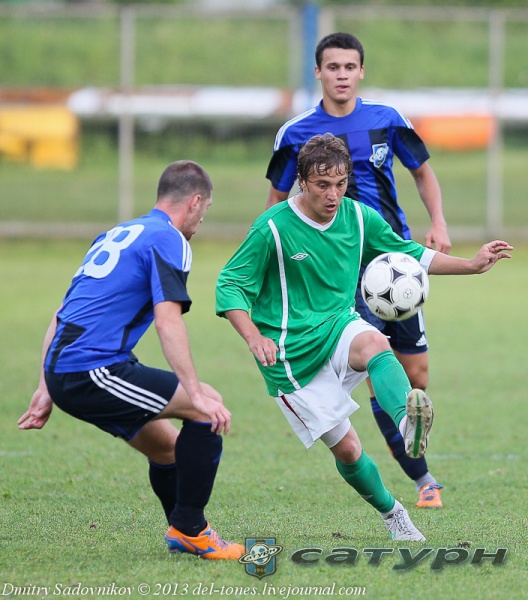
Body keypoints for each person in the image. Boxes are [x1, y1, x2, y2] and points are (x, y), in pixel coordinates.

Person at [216, 133, 512, 541]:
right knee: (349, 450)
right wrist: (252, 336)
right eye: (322, 185)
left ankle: (408, 422)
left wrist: (472, 264)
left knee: (376, 343)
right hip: (289, 354)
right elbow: (231, 284)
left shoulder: (358, 217)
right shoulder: (272, 228)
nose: (332, 195)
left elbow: (411, 254)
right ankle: (394, 514)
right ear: (302, 181)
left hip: (339, 324)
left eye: (340, 184)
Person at [18, 160, 244, 561]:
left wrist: (45, 386)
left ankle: (182, 530)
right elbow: (168, 320)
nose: (201, 221)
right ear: (195, 202)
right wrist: (195, 393)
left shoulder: (117, 234)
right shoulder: (170, 239)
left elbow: (62, 312)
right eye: (205, 211)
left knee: (167, 448)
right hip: (92, 369)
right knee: (206, 409)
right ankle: (193, 530)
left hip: (69, 368)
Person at [265, 32, 451, 509]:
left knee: (416, 375)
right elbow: (276, 201)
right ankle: (424, 479)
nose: (342, 75)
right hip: (338, 268)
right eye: (333, 67)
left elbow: (422, 171)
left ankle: (406, 422)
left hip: (394, 268)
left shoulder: (387, 120)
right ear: (318, 72)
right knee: (374, 361)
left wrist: (438, 221)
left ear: (361, 71)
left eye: (350, 66)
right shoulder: (296, 132)